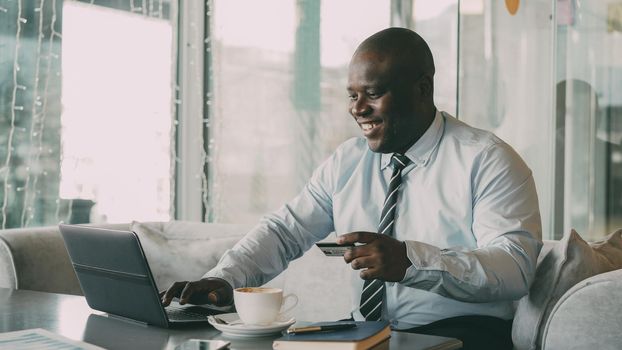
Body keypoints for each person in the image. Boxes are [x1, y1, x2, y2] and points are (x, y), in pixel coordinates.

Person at [161, 27, 542, 349]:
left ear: (422, 90)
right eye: (352, 95)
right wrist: (226, 278)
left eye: (373, 94)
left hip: (463, 335)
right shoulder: (348, 160)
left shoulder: (488, 160)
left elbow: (514, 268)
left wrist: (411, 261)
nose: (357, 109)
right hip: (366, 333)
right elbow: (285, 230)